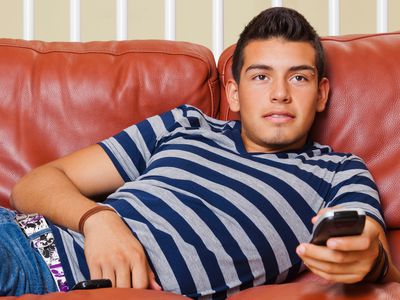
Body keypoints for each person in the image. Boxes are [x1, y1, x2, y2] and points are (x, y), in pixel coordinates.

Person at [2, 6, 399, 299]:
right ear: (234, 93)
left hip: (51, 273)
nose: (280, 93)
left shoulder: (339, 170)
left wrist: (369, 258)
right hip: (24, 237)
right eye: (261, 76)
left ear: (322, 94)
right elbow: (32, 185)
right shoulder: (187, 124)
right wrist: (98, 220)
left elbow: (373, 244)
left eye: (298, 77)